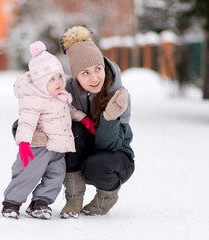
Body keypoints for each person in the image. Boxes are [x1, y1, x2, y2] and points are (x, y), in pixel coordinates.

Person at [2, 41, 96, 220]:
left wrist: (83, 119)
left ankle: (40, 203)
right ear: (39, 82)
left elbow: (70, 111)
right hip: (38, 148)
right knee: (28, 175)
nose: (59, 83)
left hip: (57, 149)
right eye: (51, 79)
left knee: (56, 177)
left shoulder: (61, 97)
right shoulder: (33, 99)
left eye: (59, 77)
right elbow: (26, 122)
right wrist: (23, 143)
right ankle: (11, 203)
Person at [59, 25, 135, 218]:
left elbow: (109, 145)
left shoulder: (118, 95)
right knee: (73, 129)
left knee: (97, 165)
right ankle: (74, 199)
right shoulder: (66, 91)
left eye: (98, 69)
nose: (94, 78)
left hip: (114, 157)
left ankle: (106, 198)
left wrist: (109, 118)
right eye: (85, 73)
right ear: (75, 75)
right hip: (81, 153)